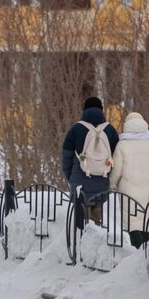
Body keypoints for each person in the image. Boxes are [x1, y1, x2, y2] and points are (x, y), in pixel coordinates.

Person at [109, 112, 149, 248]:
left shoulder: (122, 145)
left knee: (134, 225)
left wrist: (110, 184)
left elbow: (116, 171)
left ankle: (137, 257)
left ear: (127, 126)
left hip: (130, 195)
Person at [60, 96, 120, 225]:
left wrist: (71, 177)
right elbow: (116, 158)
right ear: (101, 110)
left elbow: (66, 158)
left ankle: (80, 243)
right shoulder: (110, 130)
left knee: (80, 224)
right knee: (96, 225)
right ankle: (95, 241)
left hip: (80, 183)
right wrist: (107, 176)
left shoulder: (75, 129)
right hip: (101, 181)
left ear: (84, 109)